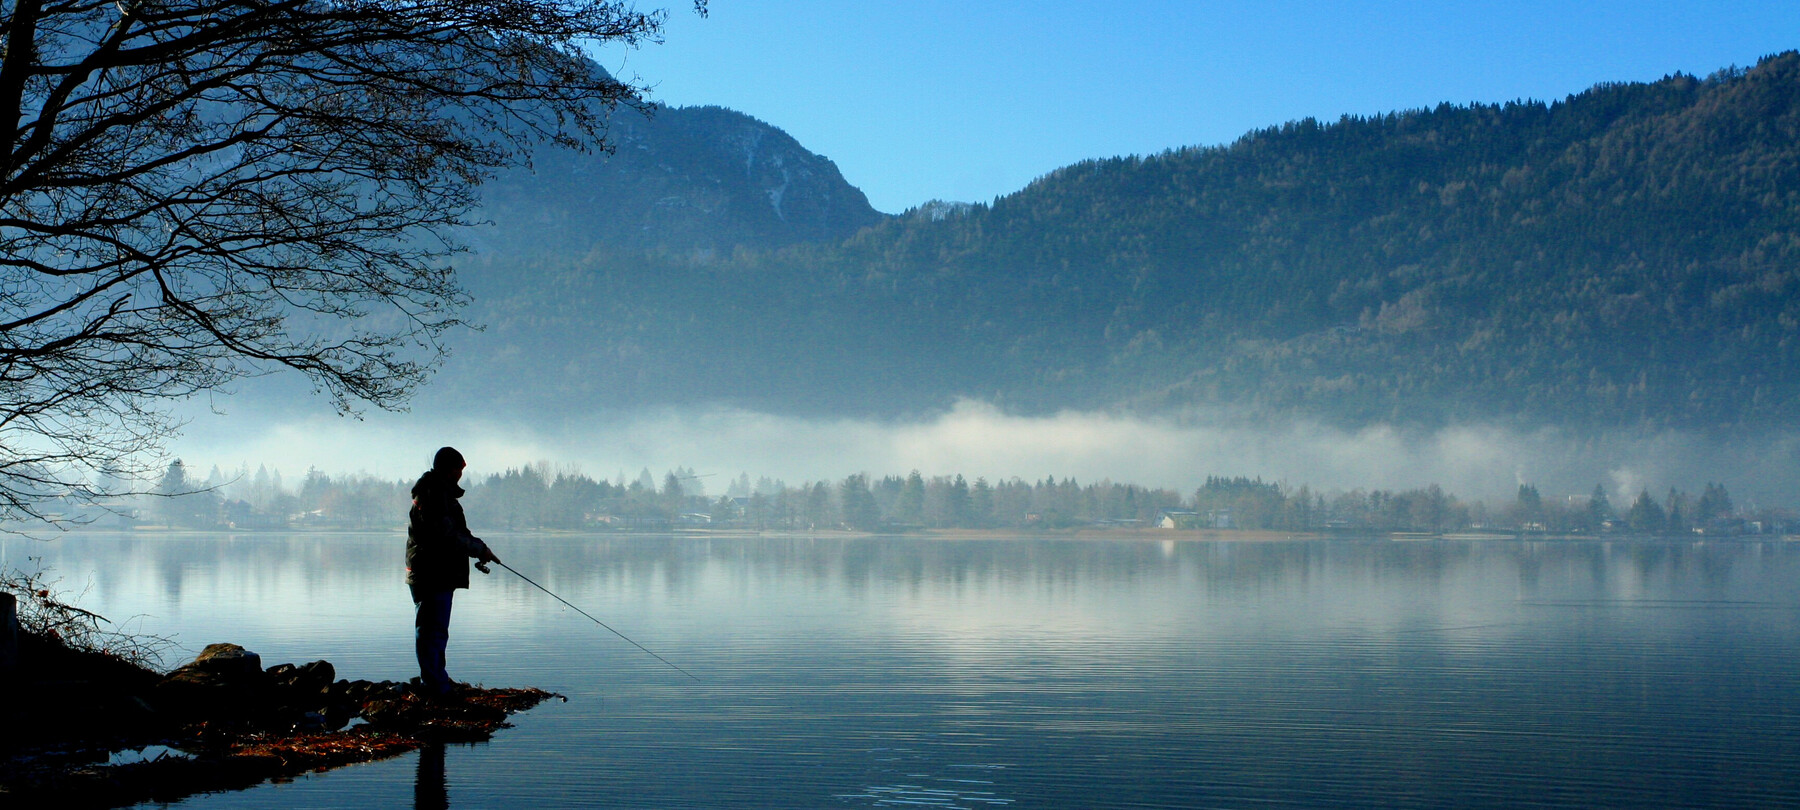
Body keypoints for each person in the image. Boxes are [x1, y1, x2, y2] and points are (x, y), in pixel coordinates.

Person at [405, 446, 499, 697]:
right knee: (430, 630)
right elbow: (447, 536)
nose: (460, 474)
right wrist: (478, 550)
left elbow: (459, 533)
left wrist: (483, 549)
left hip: (438, 572)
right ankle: (434, 684)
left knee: (437, 630)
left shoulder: (441, 494)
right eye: (458, 469)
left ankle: (437, 679)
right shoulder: (432, 496)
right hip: (430, 572)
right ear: (447, 469)